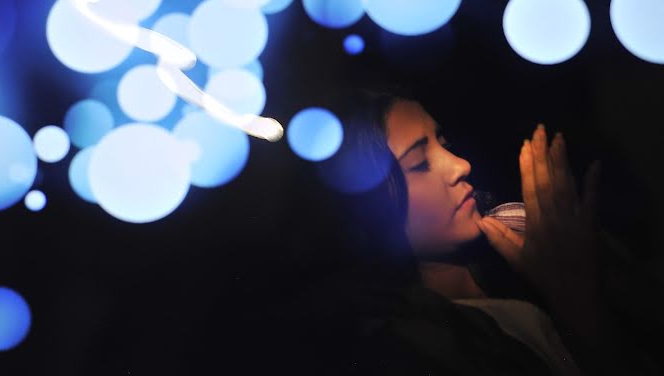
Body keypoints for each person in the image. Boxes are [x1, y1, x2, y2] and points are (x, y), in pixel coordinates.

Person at [191, 84, 661, 375]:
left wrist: (597, 262)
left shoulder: (519, 233)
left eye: (445, 142)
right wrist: (576, 296)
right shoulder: (402, 345)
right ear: (364, 210)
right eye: (419, 164)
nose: (460, 165)